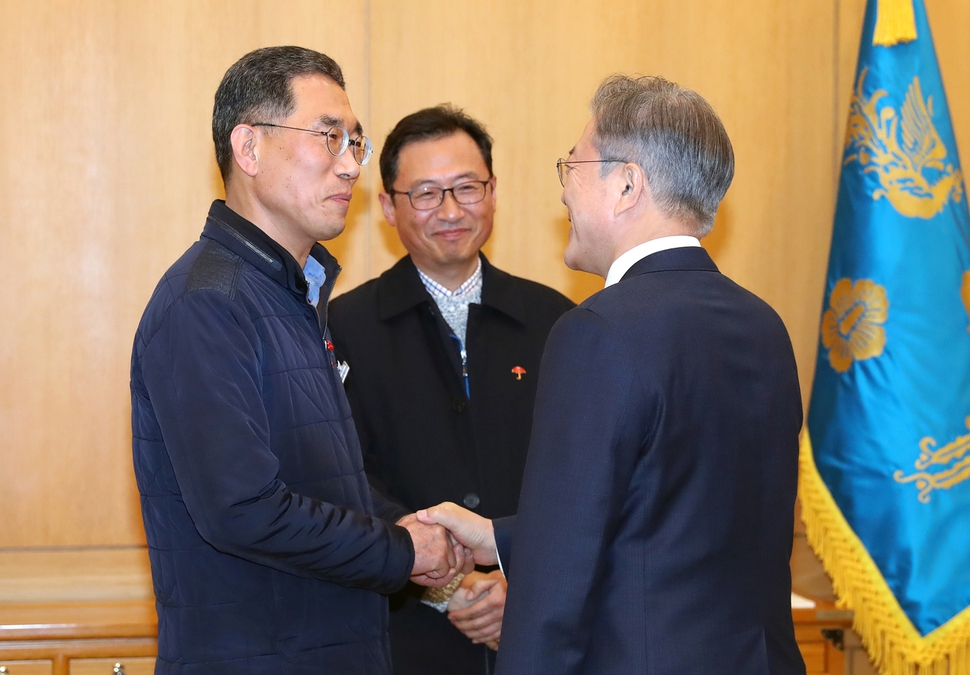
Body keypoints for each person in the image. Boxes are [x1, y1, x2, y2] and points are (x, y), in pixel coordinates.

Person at [419, 75, 807, 675]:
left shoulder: (597, 331)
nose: (564, 194)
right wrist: (501, 537)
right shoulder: (764, 324)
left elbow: (558, 583)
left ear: (626, 184)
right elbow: (679, 516)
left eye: (571, 166)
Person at [130, 46, 468, 675]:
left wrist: (410, 527)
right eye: (328, 137)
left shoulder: (293, 294)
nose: (350, 166)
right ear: (249, 148)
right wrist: (399, 551)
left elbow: (318, 477)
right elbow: (243, 510)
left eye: (355, 143)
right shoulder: (205, 303)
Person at [328, 105, 574, 675]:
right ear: (388, 206)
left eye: (467, 187)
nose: (451, 210)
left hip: (542, 630)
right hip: (401, 634)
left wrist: (523, 582)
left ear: (493, 192)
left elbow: (586, 478)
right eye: (426, 193)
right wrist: (450, 587)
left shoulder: (558, 322)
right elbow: (340, 480)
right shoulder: (343, 329)